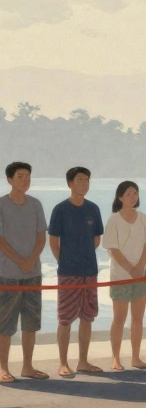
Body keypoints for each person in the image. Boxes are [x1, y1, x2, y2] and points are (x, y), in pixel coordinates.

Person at [48, 166, 105, 378]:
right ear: (70, 183)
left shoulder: (93, 209)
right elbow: (53, 242)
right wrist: (65, 262)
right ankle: (63, 363)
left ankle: (83, 361)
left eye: (87, 180)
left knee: (87, 317)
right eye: (80, 180)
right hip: (68, 272)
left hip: (90, 271)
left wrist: (83, 256)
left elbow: (96, 239)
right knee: (65, 318)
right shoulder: (60, 209)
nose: (84, 184)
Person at [0, 162, 48, 383]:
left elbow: (41, 236)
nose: (25, 180)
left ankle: (27, 366)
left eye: (28, 176)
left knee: (31, 323)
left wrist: (30, 261)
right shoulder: (1, 205)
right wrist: (20, 261)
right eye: (20, 176)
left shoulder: (35, 204)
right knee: (5, 324)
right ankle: (3, 367)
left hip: (33, 273)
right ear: (9, 179)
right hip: (7, 274)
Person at [102, 181, 146, 371]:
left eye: (135, 193)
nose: (132, 197)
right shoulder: (113, 220)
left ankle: (136, 357)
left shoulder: (143, 218)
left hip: (141, 276)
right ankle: (116, 358)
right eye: (128, 194)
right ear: (120, 197)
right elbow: (113, 250)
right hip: (120, 277)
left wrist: (139, 267)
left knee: (138, 318)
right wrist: (131, 269)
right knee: (119, 318)